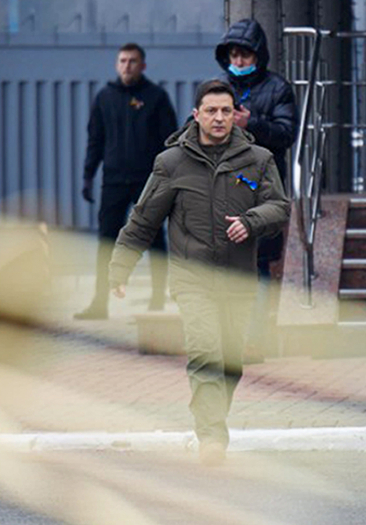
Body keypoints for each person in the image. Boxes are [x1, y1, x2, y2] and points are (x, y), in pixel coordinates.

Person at [108, 79, 289, 465]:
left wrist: (252, 221)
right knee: (205, 351)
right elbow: (143, 219)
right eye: (211, 110)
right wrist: (120, 267)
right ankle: (211, 436)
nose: (219, 118)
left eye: (226, 110)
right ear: (196, 114)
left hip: (239, 277)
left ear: (235, 115)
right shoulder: (171, 163)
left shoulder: (257, 159)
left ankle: (212, 420)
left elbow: (279, 207)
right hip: (193, 279)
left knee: (230, 360)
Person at [75, 43, 177, 319]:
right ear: (116, 64)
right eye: (122, 61)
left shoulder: (156, 97)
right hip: (114, 180)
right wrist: (88, 175)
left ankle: (157, 298)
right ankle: (99, 303)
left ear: (143, 66)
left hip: (148, 181)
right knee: (107, 241)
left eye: (133, 61)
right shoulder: (105, 97)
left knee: (154, 238)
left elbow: (171, 143)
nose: (127, 66)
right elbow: (95, 140)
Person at [215, 18, 296, 361]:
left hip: (264, 190)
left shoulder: (278, 88)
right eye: (234, 54)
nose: (239, 61)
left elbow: (286, 133)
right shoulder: (218, 88)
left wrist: (253, 124)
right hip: (224, 189)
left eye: (245, 55)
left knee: (259, 266)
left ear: (258, 56)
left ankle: (254, 340)